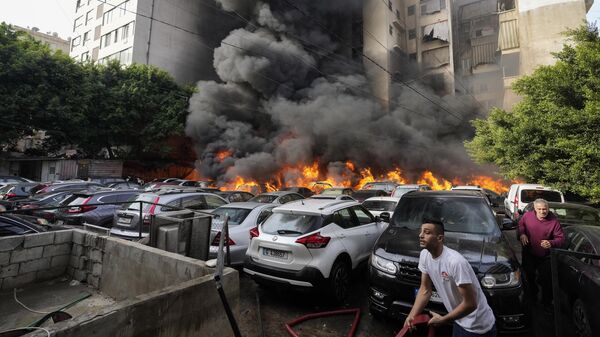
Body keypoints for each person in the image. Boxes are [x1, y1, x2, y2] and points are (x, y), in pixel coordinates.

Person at [404, 218, 496, 337]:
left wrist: (444, 320)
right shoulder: (424, 255)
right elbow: (425, 290)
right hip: (459, 319)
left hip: (477, 327)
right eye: (421, 232)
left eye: (427, 232)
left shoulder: (456, 262)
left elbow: (471, 304)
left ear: (440, 238)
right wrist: (412, 315)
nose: (421, 235)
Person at [518, 198, 564, 308]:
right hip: (529, 253)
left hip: (545, 256)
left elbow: (561, 239)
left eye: (545, 209)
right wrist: (522, 234)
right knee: (529, 276)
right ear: (534, 209)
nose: (543, 211)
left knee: (547, 280)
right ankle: (532, 296)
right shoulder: (527, 216)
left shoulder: (554, 222)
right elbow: (521, 225)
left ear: (548, 209)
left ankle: (546, 303)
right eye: (540, 209)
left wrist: (551, 243)